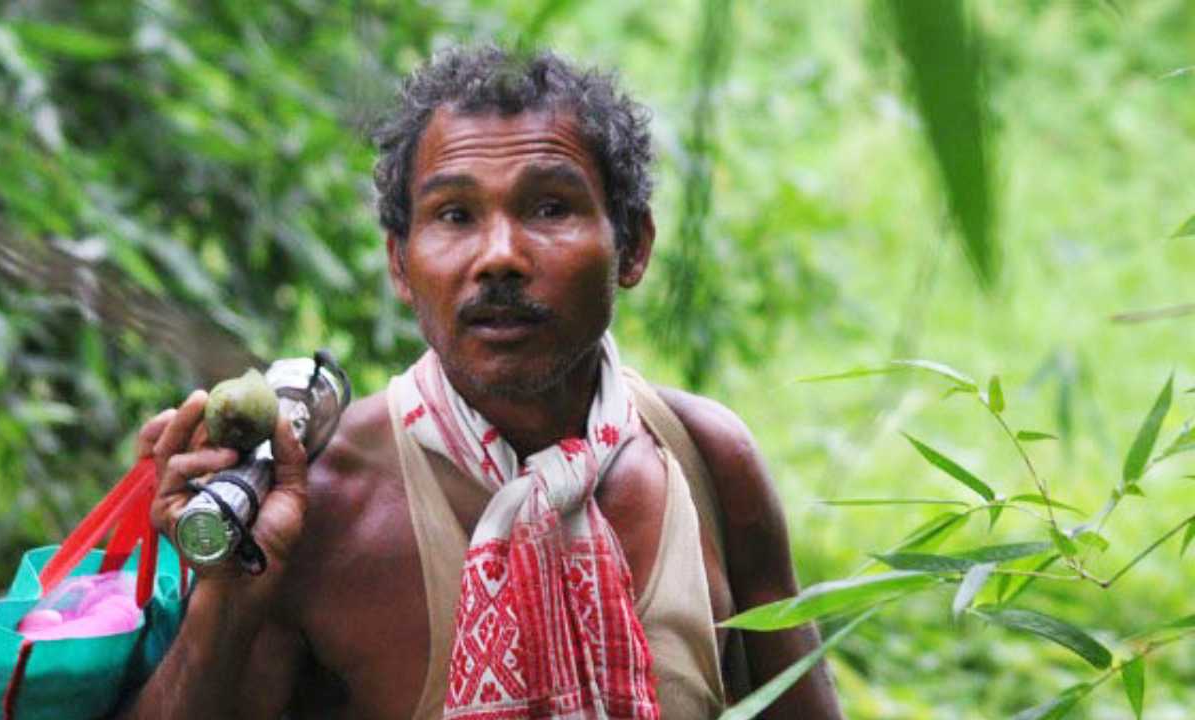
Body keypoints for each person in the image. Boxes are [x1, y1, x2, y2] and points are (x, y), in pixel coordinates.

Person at [122, 46, 843, 719]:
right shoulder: (323, 501)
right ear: (401, 266)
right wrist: (227, 598)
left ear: (633, 247)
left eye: (550, 207)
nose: (499, 256)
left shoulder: (707, 466)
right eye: (456, 215)